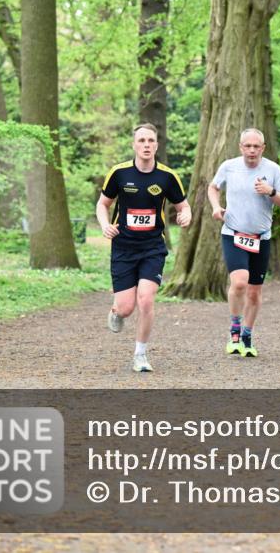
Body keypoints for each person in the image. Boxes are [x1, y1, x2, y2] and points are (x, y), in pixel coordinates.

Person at [97, 123, 191, 373]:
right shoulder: (119, 173)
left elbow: (183, 205)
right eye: (141, 141)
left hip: (152, 247)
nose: (146, 145)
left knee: (146, 300)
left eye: (151, 141)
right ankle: (116, 311)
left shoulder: (167, 177)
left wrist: (185, 216)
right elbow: (103, 204)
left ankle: (140, 354)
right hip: (123, 248)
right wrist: (105, 225)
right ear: (134, 145)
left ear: (157, 145)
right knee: (126, 308)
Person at [208, 128, 280, 357]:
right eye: (248, 146)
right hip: (233, 233)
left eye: (257, 146)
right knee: (239, 283)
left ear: (263, 148)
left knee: (254, 292)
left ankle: (247, 335)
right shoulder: (229, 166)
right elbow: (213, 187)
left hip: (260, 237)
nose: (252, 150)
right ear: (241, 147)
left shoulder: (273, 170)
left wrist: (270, 191)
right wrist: (216, 207)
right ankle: (234, 330)